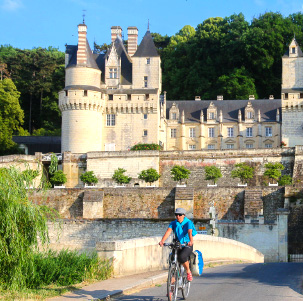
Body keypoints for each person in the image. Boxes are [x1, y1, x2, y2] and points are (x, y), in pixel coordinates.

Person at [159, 207, 196, 281]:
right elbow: (168, 232)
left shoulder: (188, 222)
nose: (178, 217)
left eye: (179, 215)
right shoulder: (173, 223)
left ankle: (188, 271)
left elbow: (189, 232)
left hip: (186, 244)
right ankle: (171, 289)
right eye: (176, 215)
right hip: (177, 243)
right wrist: (162, 241)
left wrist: (191, 241)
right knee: (172, 260)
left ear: (184, 215)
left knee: (182, 257)